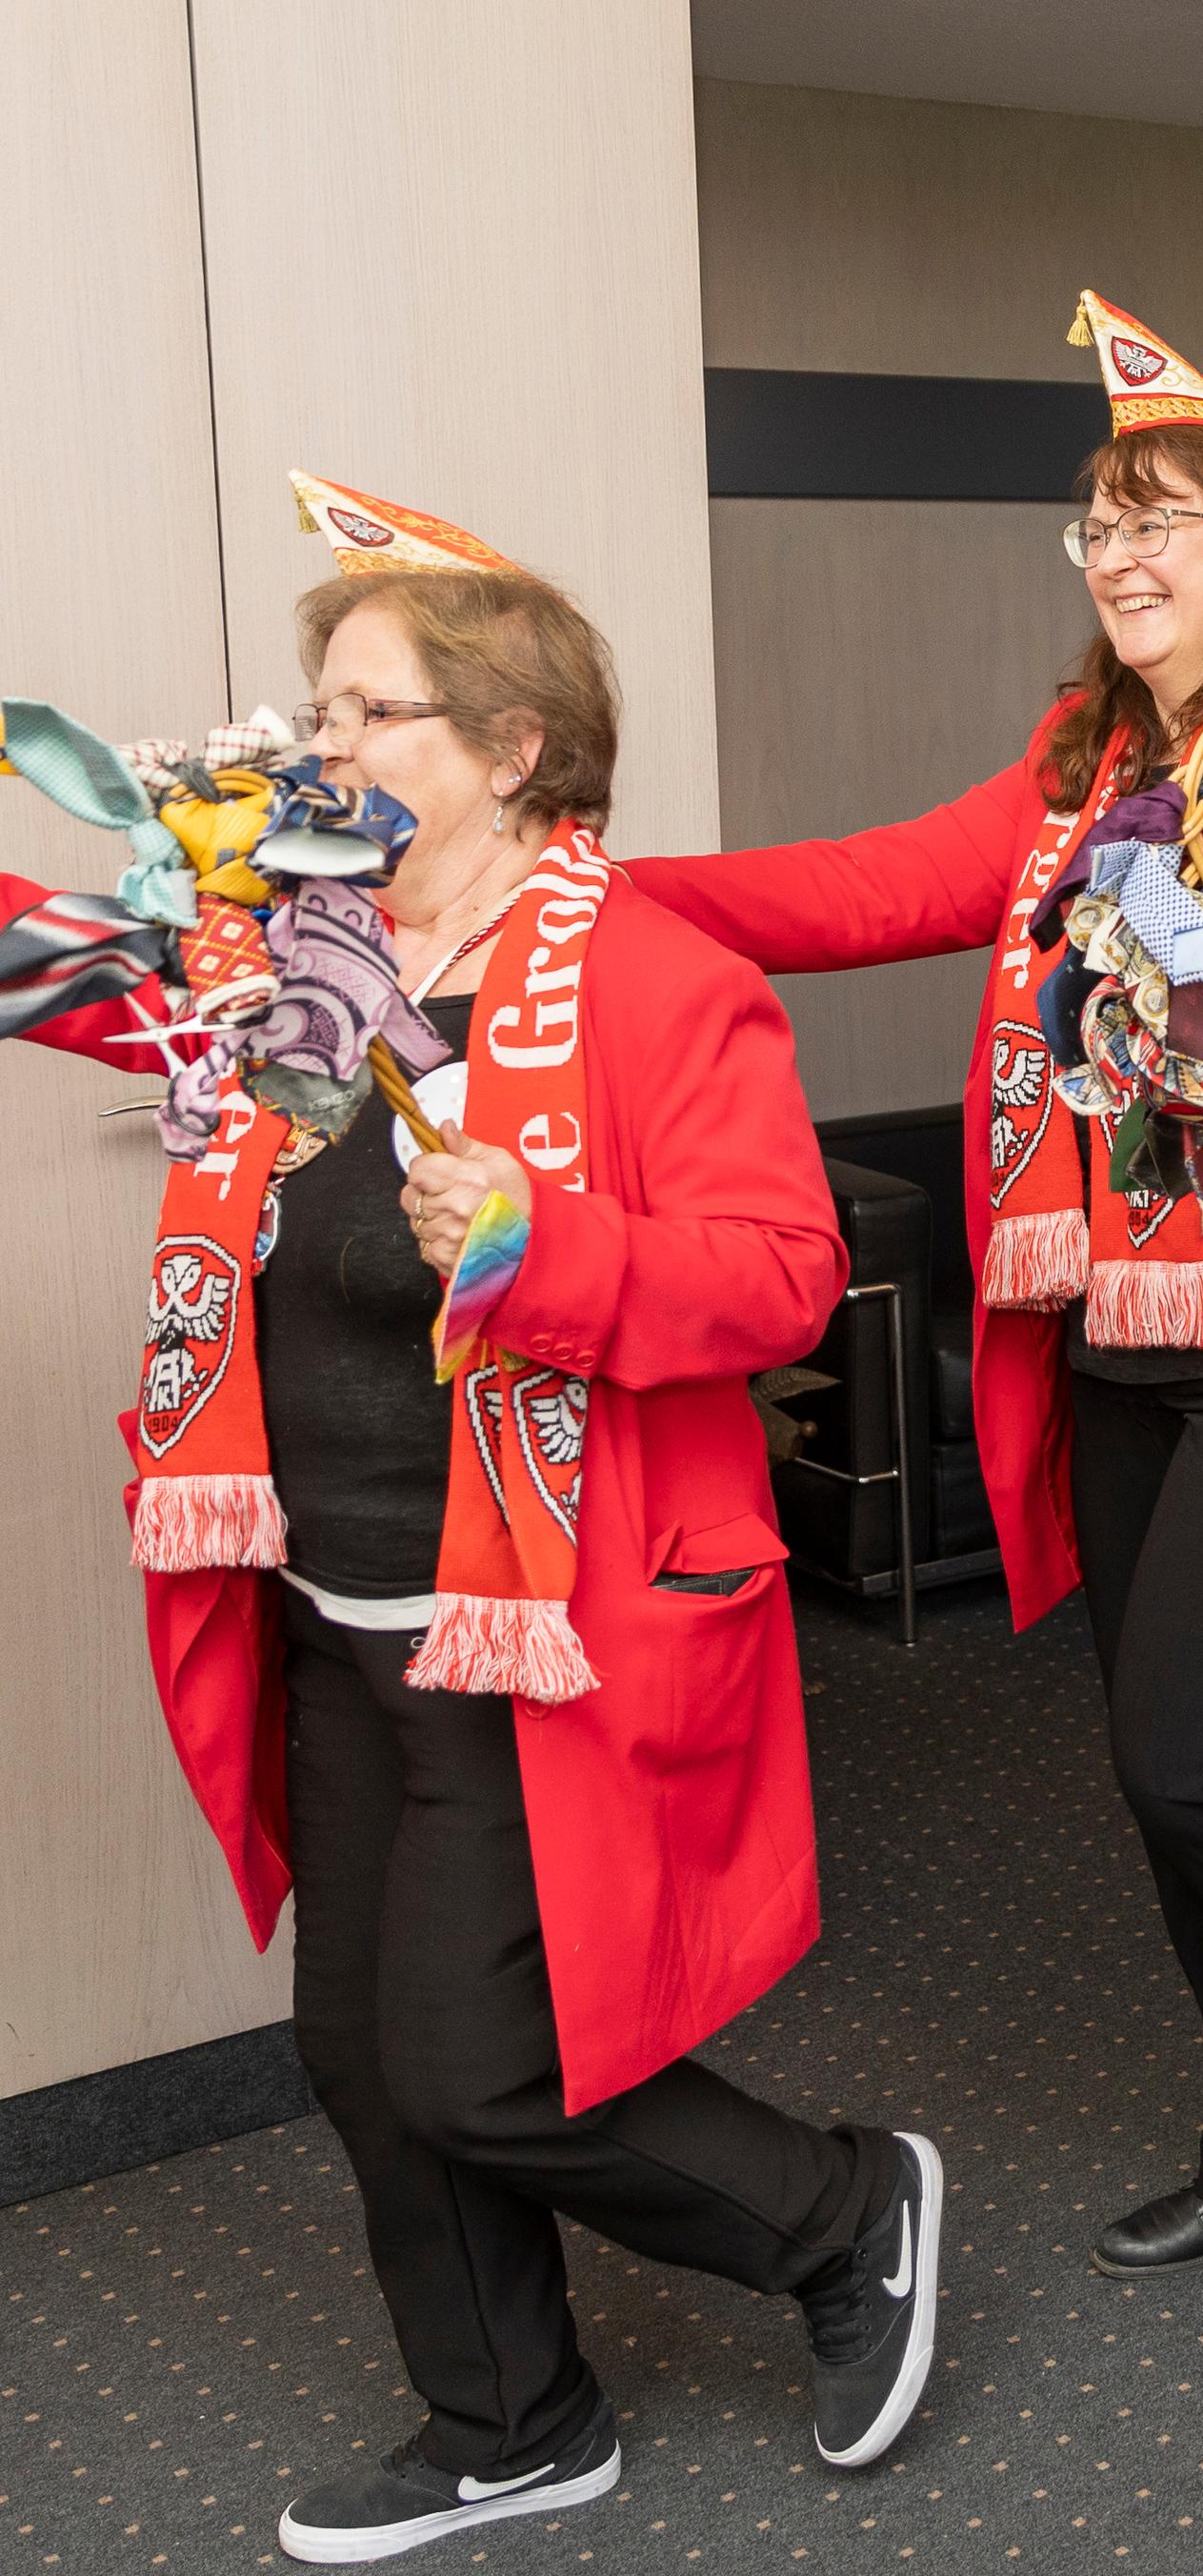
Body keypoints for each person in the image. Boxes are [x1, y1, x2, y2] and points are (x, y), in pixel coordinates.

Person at [31, 479, 941, 2564]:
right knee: (358, 2049)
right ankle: (511, 2417)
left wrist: (554, 1244)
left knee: (482, 2073)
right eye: (319, 708)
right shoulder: (288, 956)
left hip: (552, 1614)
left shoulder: (650, 977)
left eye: (369, 714)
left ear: (513, 749)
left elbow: (780, 1275)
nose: (318, 751)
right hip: (339, 1602)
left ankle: (841, 2211)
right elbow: (63, 971)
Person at [628, 298, 1203, 2270]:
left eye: (1162, 519)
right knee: (1165, 1767)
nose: (1121, 556)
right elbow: (862, 886)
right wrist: (583, 898)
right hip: (1124, 1323)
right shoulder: (1076, 781)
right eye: (1098, 524)